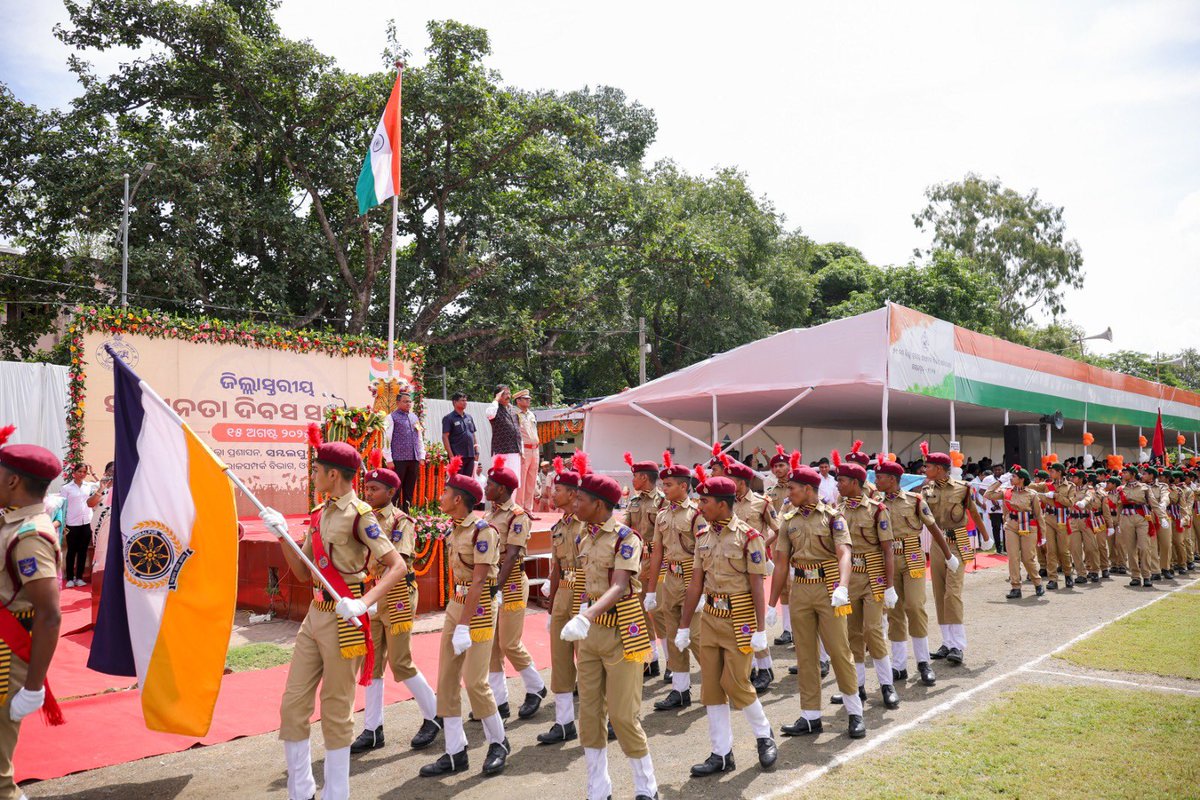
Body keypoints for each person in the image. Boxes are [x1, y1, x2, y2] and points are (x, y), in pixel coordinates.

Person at [259, 426, 406, 800]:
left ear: (333, 475)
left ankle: (336, 793)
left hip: (347, 619)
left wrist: (365, 601)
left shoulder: (361, 516)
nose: (313, 476)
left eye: (316, 470)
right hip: (316, 614)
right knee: (293, 705)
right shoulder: (319, 513)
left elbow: (397, 566)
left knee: (337, 710)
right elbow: (304, 571)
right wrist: (282, 535)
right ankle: (301, 789)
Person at [558, 452, 659, 800]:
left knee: (623, 715)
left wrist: (583, 617)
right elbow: (587, 587)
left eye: (580, 498)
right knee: (588, 713)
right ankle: (598, 789)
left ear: (600, 505)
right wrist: (580, 616)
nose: (574, 502)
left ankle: (646, 788)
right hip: (591, 635)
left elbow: (618, 586)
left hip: (622, 632)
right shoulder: (583, 538)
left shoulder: (626, 538)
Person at [674, 466, 776, 777]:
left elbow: (757, 585)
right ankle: (721, 753)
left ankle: (764, 735)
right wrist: (683, 625)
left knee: (736, 683)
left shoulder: (749, 537)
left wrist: (760, 630)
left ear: (722, 504)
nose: (699, 506)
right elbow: (695, 583)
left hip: (741, 617)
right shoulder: (702, 536)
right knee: (711, 688)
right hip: (712, 618)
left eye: (704, 502)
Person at [419, 456, 511, 777]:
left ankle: (498, 742)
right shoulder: (455, 528)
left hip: (480, 608)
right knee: (446, 680)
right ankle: (455, 751)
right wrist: (456, 618)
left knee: (475, 682)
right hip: (457, 605)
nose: (440, 498)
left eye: (444, 493)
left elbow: (480, 579)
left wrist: (463, 624)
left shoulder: (483, 532)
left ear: (458, 499)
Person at [350, 454, 441, 755]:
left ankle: (433, 715)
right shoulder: (364, 519)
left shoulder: (402, 521)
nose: (368, 493)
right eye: (366, 488)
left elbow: (398, 563)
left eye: (375, 489)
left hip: (398, 596)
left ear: (391, 492)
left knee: (400, 662)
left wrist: (371, 597)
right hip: (374, 595)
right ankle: (372, 729)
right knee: (372, 664)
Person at [769, 452, 865, 739]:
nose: (788, 492)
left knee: (839, 650)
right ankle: (810, 715)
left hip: (829, 588)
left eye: (793, 488)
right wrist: (771, 605)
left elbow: (844, 552)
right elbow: (781, 562)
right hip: (800, 590)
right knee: (806, 654)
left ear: (808, 490)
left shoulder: (833, 518)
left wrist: (843, 587)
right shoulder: (788, 520)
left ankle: (854, 712)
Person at [0, 430, 67, 799]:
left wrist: (34, 686)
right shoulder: (10, 522)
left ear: (12, 481)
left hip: (7, 657)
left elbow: (49, 615)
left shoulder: (30, 535)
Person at [876, 455, 956, 686]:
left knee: (915, 606)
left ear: (892, 479)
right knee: (894, 611)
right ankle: (899, 665)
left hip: (912, 558)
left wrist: (949, 556)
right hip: (887, 560)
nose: (877, 481)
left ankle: (923, 662)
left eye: (880, 477)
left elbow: (933, 528)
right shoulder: (876, 504)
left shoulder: (915, 500)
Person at [828, 450, 897, 710]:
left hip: (873, 576)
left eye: (842, 481)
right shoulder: (837, 510)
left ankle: (886, 685)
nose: (838, 485)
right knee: (852, 634)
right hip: (849, 578)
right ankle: (857, 686)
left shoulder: (877, 510)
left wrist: (890, 586)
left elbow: (887, 549)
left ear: (855, 483)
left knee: (873, 630)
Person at [482, 456, 546, 721]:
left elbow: (512, 555)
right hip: (493, 583)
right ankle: (499, 702)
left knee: (509, 642)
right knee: (492, 646)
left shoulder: (518, 516)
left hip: (509, 584)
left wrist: (496, 587)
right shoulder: (491, 514)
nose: (485, 487)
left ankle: (536, 686)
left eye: (490, 483)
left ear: (502, 488)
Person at [643, 451, 706, 711]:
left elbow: (704, 552)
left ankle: (721, 680)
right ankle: (680, 689)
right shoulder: (662, 515)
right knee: (671, 634)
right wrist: (650, 591)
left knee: (696, 635)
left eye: (668, 485)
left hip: (693, 577)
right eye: (662, 485)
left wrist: (702, 590)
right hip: (670, 578)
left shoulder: (696, 514)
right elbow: (657, 552)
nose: (663, 489)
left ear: (684, 486)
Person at [919, 442, 990, 666]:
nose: (924, 470)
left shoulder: (962, 488)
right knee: (939, 593)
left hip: (957, 544)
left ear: (939, 468)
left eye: (928, 466)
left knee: (953, 593)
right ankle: (947, 642)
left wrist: (987, 538)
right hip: (937, 545)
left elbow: (975, 514)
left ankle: (958, 645)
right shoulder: (926, 490)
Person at [721, 453, 779, 693]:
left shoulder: (762, 502)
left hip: (752, 565)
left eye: (730, 479)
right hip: (730, 565)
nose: (726, 482)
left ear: (742, 482)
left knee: (752, 615)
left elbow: (777, 530)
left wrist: (762, 546)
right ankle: (751, 666)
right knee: (735, 615)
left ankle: (765, 667)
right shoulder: (725, 502)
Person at [537, 457, 584, 745]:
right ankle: (564, 722)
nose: (552, 494)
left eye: (558, 490)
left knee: (589, 660)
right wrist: (552, 606)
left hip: (584, 593)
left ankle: (608, 717)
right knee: (560, 659)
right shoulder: (559, 526)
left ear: (573, 494)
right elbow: (555, 568)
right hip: (564, 594)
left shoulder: (585, 525)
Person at [622, 452, 666, 679]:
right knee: (640, 612)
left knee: (659, 613)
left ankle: (673, 663)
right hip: (639, 562)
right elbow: (627, 528)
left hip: (659, 562)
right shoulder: (634, 501)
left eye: (636, 476)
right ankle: (652, 659)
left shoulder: (663, 501)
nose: (633, 480)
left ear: (645, 478)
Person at [983, 466, 1045, 599]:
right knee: (1013, 557)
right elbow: (988, 494)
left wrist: (1043, 535)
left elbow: (1039, 516)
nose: (1011, 479)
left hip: (1028, 526)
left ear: (1022, 479)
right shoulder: (1006, 492)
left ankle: (1037, 583)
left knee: (1028, 558)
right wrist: (1000, 481)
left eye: (1014, 477)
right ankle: (1015, 587)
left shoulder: (1032, 494)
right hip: (1011, 526)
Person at [764, 445, 794, 646]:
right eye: (775, 466)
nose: (778, 469)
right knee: (783, 586)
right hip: (778, 543)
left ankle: (799, 631)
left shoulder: (797, 486)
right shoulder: (770, 491)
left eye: (782, 465)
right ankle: (787, 630)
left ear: (789, 466)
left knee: (798, 586)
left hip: (798, 542)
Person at [59, 463, 101, 588]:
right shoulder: (66, 488)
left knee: (83, 551)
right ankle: (70, 578)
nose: (82, 474)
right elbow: (62, 506)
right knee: (72, 551)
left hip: (87, 522)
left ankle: (79, 577)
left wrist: (93, 473)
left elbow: (102, 485)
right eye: (80, 471)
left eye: (84, 472)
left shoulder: (89, 486)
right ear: (74, 473)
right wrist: (63, 524)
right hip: (72, 523)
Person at [1113, 465, 1156, 588]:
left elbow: (1153, 503)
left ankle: (1147, 575)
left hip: (1142, 518)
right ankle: (1135, 576)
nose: (1123, 475)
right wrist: (1118, 522)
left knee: (1144, 547)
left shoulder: (1144, 487)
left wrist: (1162, 517)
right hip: (1126, 519)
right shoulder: (1120, 489)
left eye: (1125, 473)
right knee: (1131, 549)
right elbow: (1119, 506)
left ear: (1133, 474)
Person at [383, 389, 425, 511]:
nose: (408, 404)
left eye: (410, 402)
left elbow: (419, 437)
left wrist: (422, 455)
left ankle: (406, 515)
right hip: (398, 460)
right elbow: (386, 439)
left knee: (409, 490)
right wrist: (389, 459)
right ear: (398, 403)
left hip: (413, 459)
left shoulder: (414, 417)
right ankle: (392, 514)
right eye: (405, 401)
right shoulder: (391, 417)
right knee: (395, 489)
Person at [485, 385, 522, 488]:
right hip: (501, 452)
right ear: (498, 395)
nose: (508, 396)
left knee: (514, 481)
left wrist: (521, 450)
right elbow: (489, 413)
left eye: (509, 393)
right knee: (500, 482)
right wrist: (496, 399)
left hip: (515, 451)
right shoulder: (495, 409)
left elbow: (518, 431)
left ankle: (511, 504)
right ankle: (499, 505)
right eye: (504, 394)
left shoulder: (513, 410)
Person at [513, 390, 541, 513]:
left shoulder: (531, 414)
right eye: (525, 399)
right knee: (522, 481)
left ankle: (528, 510)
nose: (528, 400)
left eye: (529, 399)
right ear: (518, 401)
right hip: (524, 449)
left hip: (535, 449)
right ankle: (520, 508)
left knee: (532, 480)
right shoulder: (514, 413)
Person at [441, 392, 480, 477]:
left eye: (466, 400)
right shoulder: (448, 418)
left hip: (470, 455)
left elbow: (473, 434)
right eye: (462, 400)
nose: (465, 402)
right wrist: (451, 456)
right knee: (457, 481)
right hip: (457, 456)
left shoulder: (469, 417)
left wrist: (476, 451)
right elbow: (445, 437)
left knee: (468, 481)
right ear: (455, 402)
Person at [980, 463, 1007, 554]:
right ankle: (998, 547)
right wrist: (992, 499)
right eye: (995, 470)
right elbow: (981, 490)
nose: (997, 471)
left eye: (999, 470)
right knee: (995, 528)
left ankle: (1006, 548)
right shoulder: (988, 479)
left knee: (1006, 527)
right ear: (993, 471)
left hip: (1005, 507)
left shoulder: (1007, 478)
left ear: (1003, 470)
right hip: (993, 508)